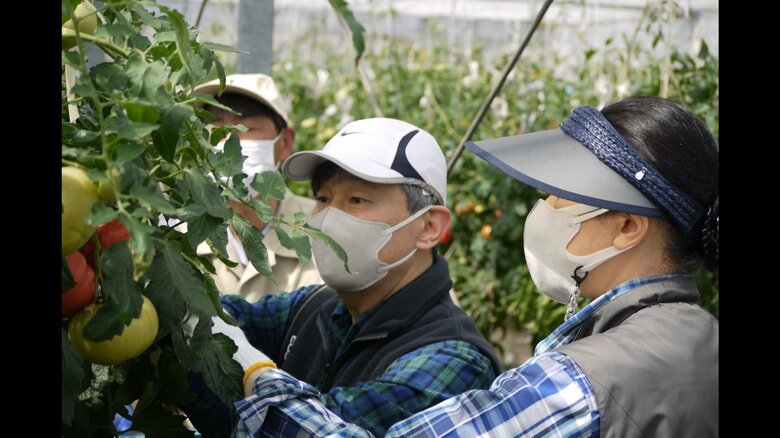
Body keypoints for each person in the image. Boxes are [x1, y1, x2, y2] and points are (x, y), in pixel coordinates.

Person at [211, 96, 718, 437]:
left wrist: (253, 372)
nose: (540, 211)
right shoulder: (693, 337)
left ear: (628, 227)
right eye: (323, 198)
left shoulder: (585, 378)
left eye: (558, 197)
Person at [182, 117, 501, 437]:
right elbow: (226, 316)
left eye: (357, 199)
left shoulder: (453, 359)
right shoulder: (315, 306)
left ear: (429, 226)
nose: (328, 218)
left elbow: (312, 427)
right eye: (323, 199)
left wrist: (250, 369)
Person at [193, 73, 322, 302]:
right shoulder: (183, 236)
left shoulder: (322, 229)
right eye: (216, 127)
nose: (229, 140)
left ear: (285, 143)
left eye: (246, 128)